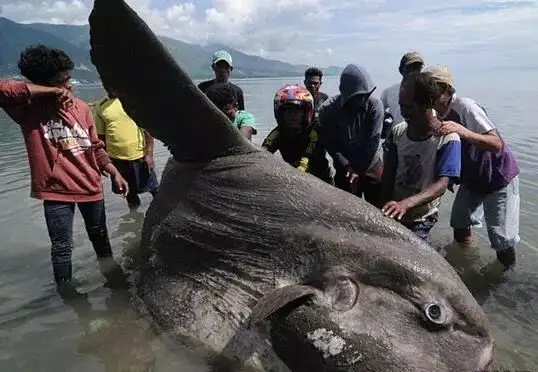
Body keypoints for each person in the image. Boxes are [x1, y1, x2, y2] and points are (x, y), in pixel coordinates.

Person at [0, 45, 129, 286]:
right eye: (62, 82)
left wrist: (113, 172)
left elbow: (95, 146)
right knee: (62, 249)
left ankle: (116, 287)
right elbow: (3, 90)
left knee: (101, 241)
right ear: (46, 84)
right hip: (56, 192)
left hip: (91, 187)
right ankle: (68, 298)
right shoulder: (29, 110)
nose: (69, 86)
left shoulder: (81, 108)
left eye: (68, 79)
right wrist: (48, 92)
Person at [425, 65, 520, 269]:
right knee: (459, 224)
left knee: (502, 241)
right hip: (472, 178)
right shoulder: (435, 112)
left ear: (444, 89)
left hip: (499, 176)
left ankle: (507, 278)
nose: (426, 93)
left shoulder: (466, 107)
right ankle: (467, 262)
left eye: (430, 88)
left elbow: (496, 144)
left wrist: (463, 131)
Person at [380, 72, 461, 241]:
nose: (403, 112)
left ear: (426, 104)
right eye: (401, 106)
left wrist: (406, 204)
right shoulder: (398, 132)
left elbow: (442, 184)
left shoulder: (447, 139)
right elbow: (389, 173)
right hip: (395, 209)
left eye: (408, 107)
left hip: (422, 217)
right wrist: (383, 205)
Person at [318, 64, 384, 206]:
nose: (364, 101)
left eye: (367, 95)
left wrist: (358, 171)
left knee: (379, 207)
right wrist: (347, 166)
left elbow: (372, 143)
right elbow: (331, 144)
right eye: (359, 97)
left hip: (370, 163)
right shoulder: (328, 110)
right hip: (344, 165)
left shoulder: (375, 105)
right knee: (345, 209)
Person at [93, 85, 160, 210]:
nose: (110, 88)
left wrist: (149, 154)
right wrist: (102, 162)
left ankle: (162, 214)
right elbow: (100, 137)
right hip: (117, 159)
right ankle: (134, 220)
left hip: (140, 155)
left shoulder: (132, 101)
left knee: (155, 189)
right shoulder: (101, 106)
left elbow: (147, 130)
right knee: (129, 193)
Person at [262, 84, 332, 184]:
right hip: (295, 180)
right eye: (288, 111)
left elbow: (306, 160)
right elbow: (263, 151)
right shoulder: (278, 132)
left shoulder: (315, 131)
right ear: (281, 113)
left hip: (321, 180)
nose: (292, 115)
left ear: (306, 113)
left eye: (297, 110)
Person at [380, 52, 425, 138]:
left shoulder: (428, 91)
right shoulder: (389, 91)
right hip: (396, 139)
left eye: (417, 68)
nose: (414, 71)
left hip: (420, 138)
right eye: (410, 68)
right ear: (401, 70)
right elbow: (379, 110)